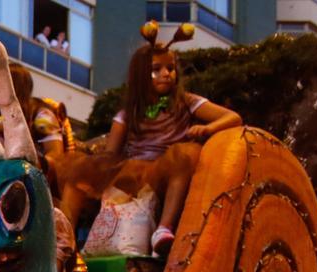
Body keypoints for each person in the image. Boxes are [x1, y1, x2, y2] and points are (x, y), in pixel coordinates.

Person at [56, 25, 241, 256]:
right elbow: (110, 154)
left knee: (185, 155)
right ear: (141, 75)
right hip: (135, 171)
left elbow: (232, 117)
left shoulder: (186, 101)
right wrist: (96, 171)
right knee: (80, 171)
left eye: (171, 68)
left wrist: (207, 129)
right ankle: (65, 236)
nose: (166, 74)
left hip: (167, 168)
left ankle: (164, 228)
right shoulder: (129, 112)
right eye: (157, 69)